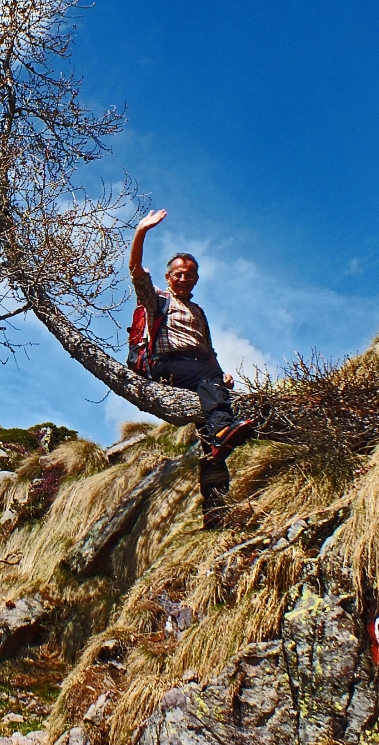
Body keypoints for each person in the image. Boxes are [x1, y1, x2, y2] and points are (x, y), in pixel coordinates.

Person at [129, 208, 254, 529]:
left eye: (190, 274)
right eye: (178, 273)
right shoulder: (158, 300)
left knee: (210, 443)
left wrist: (222, 373)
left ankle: (215, 510)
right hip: (166, 366)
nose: (184, 278)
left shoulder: (198, 310)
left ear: (196, 278)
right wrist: (142, 230)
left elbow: (208, 351)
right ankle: (224, 428)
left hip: (201, 373)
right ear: (169, 277)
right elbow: (136, 271)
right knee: (214, 401)